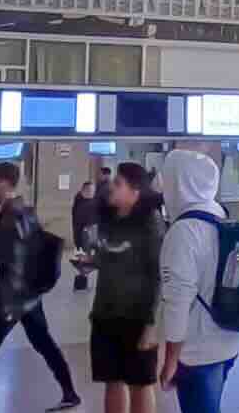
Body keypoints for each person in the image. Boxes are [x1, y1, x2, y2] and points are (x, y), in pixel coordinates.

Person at [0, 162, 80, 411]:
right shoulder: (25, 210)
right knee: (44, 343)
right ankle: (70, 392)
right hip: (30, 297)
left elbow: (13, 265)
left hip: (12, 299)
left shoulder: (9, 217)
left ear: (4, 182)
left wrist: (1, 304)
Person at [158, 149, 239, 413]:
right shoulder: (222, 219)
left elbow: (178, 303)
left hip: (197, 351)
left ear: (181, 184)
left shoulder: (184, 231)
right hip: (228, 341)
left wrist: (171, 359)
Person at [80, 163, 165, 413]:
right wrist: (92, 263)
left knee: (141, 382)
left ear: (135, 191)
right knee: (112, 380)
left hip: (137, 316)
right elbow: (111, 254)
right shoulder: (110, 219)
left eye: (118, 184)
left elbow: (157, 274)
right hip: (105, 313)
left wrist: (151, 324)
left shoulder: (150, 221)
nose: (111, 188)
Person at [72, 181, 100, 292]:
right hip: (85, 234)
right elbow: (80, 222)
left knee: (85, 259)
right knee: (84, 259)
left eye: (94, 190)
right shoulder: (83, 203)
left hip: (89, 233)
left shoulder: (85, 201)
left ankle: (81, 282)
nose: (93, 192)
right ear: (85, 190)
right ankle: (81, 283)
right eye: (91, 190)